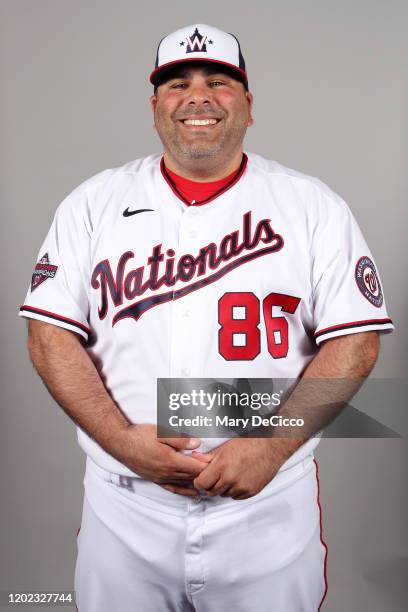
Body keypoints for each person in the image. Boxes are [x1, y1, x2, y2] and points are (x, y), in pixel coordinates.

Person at [20, 23, 394, 612]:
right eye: (178, 84)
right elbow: (48, 338)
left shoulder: (312, 205)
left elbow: (356, 344)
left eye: (219, 82)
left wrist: (270, 446)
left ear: (247, 105)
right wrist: (122, 442)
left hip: (266, 511)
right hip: (126, 508)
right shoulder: (92, 203)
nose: (198, 97)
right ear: (155, 108)